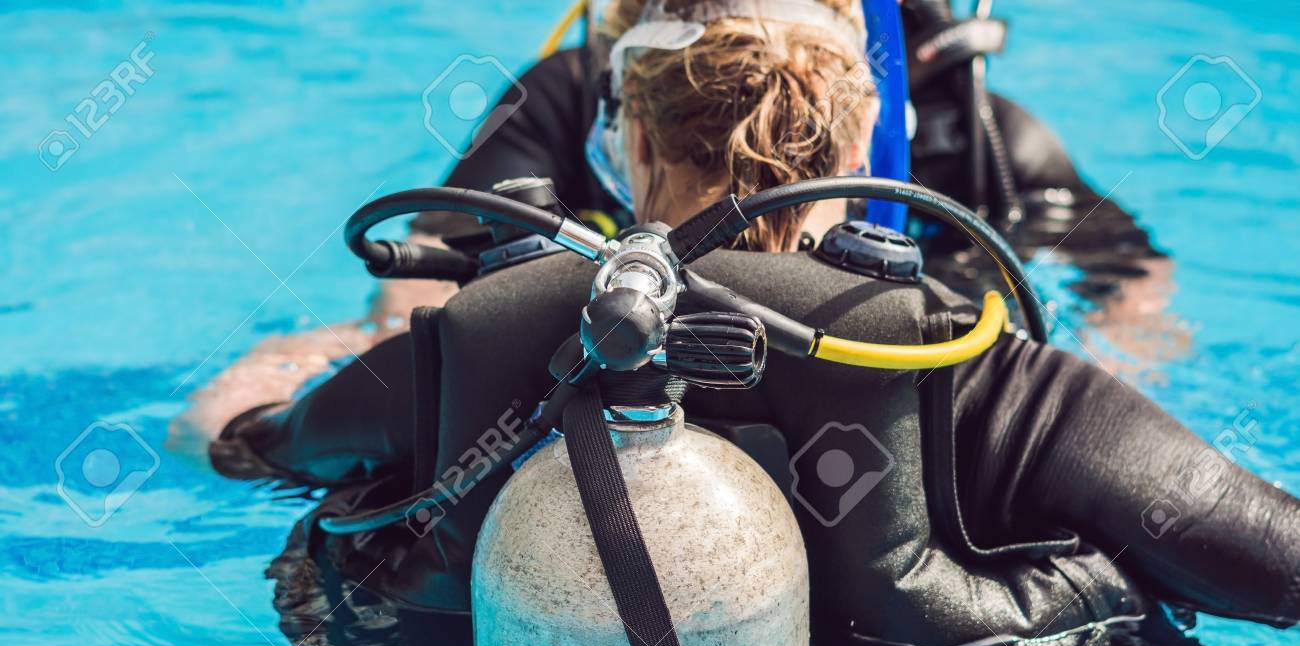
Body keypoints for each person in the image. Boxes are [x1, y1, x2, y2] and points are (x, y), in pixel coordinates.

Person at [196, 0, 1297, 646]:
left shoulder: (467, 352)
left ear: (622, 140)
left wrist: (278, 367)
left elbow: (229, 443)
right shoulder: (999, 390)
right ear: (869, 128)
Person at [169, 0, 1179, 457]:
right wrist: (387, 347)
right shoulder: (571, 99)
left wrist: (1087, 390)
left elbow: (1131, 282)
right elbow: (425, 277)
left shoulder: (974, 138)